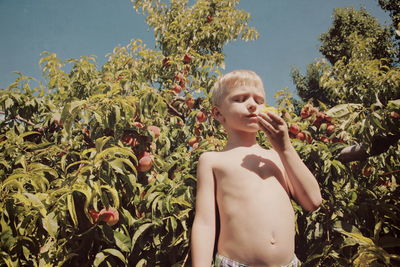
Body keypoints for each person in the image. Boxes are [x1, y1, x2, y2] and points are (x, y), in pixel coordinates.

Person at [191, 70, 322, 267]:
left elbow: (313, 201)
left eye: (259, 100)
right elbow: (204, 223)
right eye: (240, 99)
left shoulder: (277, 156)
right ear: (218, 113)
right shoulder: (212, 160)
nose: (253, 105)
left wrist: (285, 147)